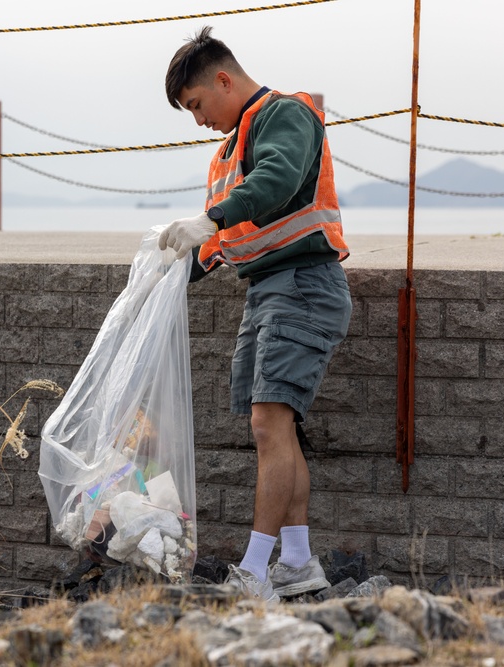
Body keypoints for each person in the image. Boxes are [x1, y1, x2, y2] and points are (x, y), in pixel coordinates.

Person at [160, 26, 352, 603]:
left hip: (304, 285)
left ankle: (256, 571)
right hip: (269, 289)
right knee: (274, 426)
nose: (198, 121)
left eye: (196, 104)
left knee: (270, 425)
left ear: (223, 79)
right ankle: (296, 563)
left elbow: (277, 181)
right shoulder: (227, 152)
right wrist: (168, 273)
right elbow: (222, 238)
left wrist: (210, 219)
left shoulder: (284, 115)